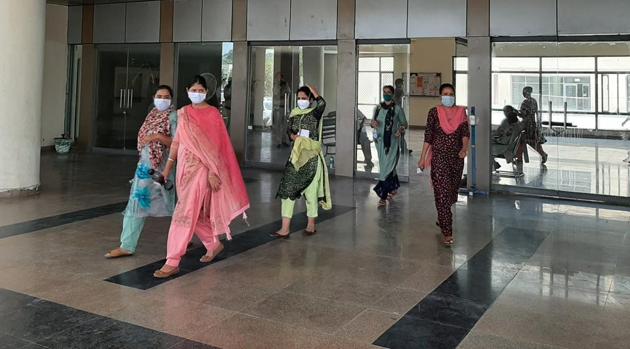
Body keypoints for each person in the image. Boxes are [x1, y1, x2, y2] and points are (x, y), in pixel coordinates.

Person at [153, 75, 250, 278]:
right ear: (187, 89)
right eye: (193, 90)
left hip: (202, 171)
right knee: (193, 213)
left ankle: (172, 260)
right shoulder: (184, 113)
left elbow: (217, 148)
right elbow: (177, 143)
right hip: (183, 171)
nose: (196, 94)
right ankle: (213, 244)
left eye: (200, 91)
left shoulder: (213, 114)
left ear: (206, 92)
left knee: (184, 212)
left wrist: (214, 173)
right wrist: (167, 169)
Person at [105, 85, 178, 258]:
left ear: (171, 99)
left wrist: (158, 137)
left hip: (163, 168)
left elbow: (177, 143)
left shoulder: (174, 116)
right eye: (159, 96)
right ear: (154, 97)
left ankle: (186, 237)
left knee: (175, 206)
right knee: (136, 203)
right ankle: (127, 245)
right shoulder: (152, 114)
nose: (162, 99)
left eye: (166, 96)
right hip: (145, 168)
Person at [272, 85, 332, 238]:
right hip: (296, 158)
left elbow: (322, 103)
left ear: (310, 100)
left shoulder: (315, 113)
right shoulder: (294, 113)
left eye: (304, 98)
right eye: (299, 98)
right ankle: (285, 228)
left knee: (311, 194)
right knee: (287, 190)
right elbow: (289, 130)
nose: (301, 101)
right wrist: (292, 136)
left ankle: (311, 224)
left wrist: (314, 91)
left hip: (311, 159)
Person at [419, 83, 469, 246]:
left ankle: (442, 217)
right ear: (441, 96)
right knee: (441, 193)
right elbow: (428, 136)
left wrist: (464, 149)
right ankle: (447, 231)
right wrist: (422, 157)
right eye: (445, 94)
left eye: (451, 94)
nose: (448, 96)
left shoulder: (461, 112)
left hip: (456, 159)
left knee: (451, 193)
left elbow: (465, 133)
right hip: (439, 158)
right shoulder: (434, 112)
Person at [372, 85, 408, 207]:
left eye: (388, 92)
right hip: (380, 142)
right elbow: (373, 122)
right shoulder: (378, 108)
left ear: (392, 94)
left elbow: (404, 124)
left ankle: (382, 196)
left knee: (385, 169)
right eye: (384, 92)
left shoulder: (397, 109)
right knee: (387, 167)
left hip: (392, 143)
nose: (386, 94)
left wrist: (400, 129)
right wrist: (373, 123)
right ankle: (393, 188)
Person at [518, 86, 547, 163]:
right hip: (533, 124)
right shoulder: (534, 101)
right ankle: (542, 154)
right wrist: (538, 124)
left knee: (522, 141)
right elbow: (536, 113)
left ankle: (519, 158)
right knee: (533, 141)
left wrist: (517, 113)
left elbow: (523, 115)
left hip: (527, 125)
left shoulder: (525, 103)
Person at [492, 105, 523, 170]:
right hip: (511, 147)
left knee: (487, 147)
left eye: (505, 111)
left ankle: (493, 164)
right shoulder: (518, 124)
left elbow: (499, 133)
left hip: (506, 148)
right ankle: (494, 164)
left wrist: (493, 136)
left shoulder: (507, 122)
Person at [273, 72, 291, 148]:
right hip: (278, 107)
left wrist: (285, 85)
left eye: (280, 77)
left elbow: (288, 93)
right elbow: (276, 94)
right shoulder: (275, 85)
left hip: (285, 107)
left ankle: (284, 140)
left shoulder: (285, 85)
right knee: (278, 125)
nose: (279, 79)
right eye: (277, 77)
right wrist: (278, 86)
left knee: (285, 125)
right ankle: (278, 142)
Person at [394, 78, 411, 154]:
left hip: (397, 112)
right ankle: (403, 149)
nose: (402, 85)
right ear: (399, 84)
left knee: (400, 132)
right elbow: (402, 97)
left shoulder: (395, 91)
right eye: (402, 83)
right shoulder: (399, 91)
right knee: (401, 131)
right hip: (398, 113)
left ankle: (403, 148)